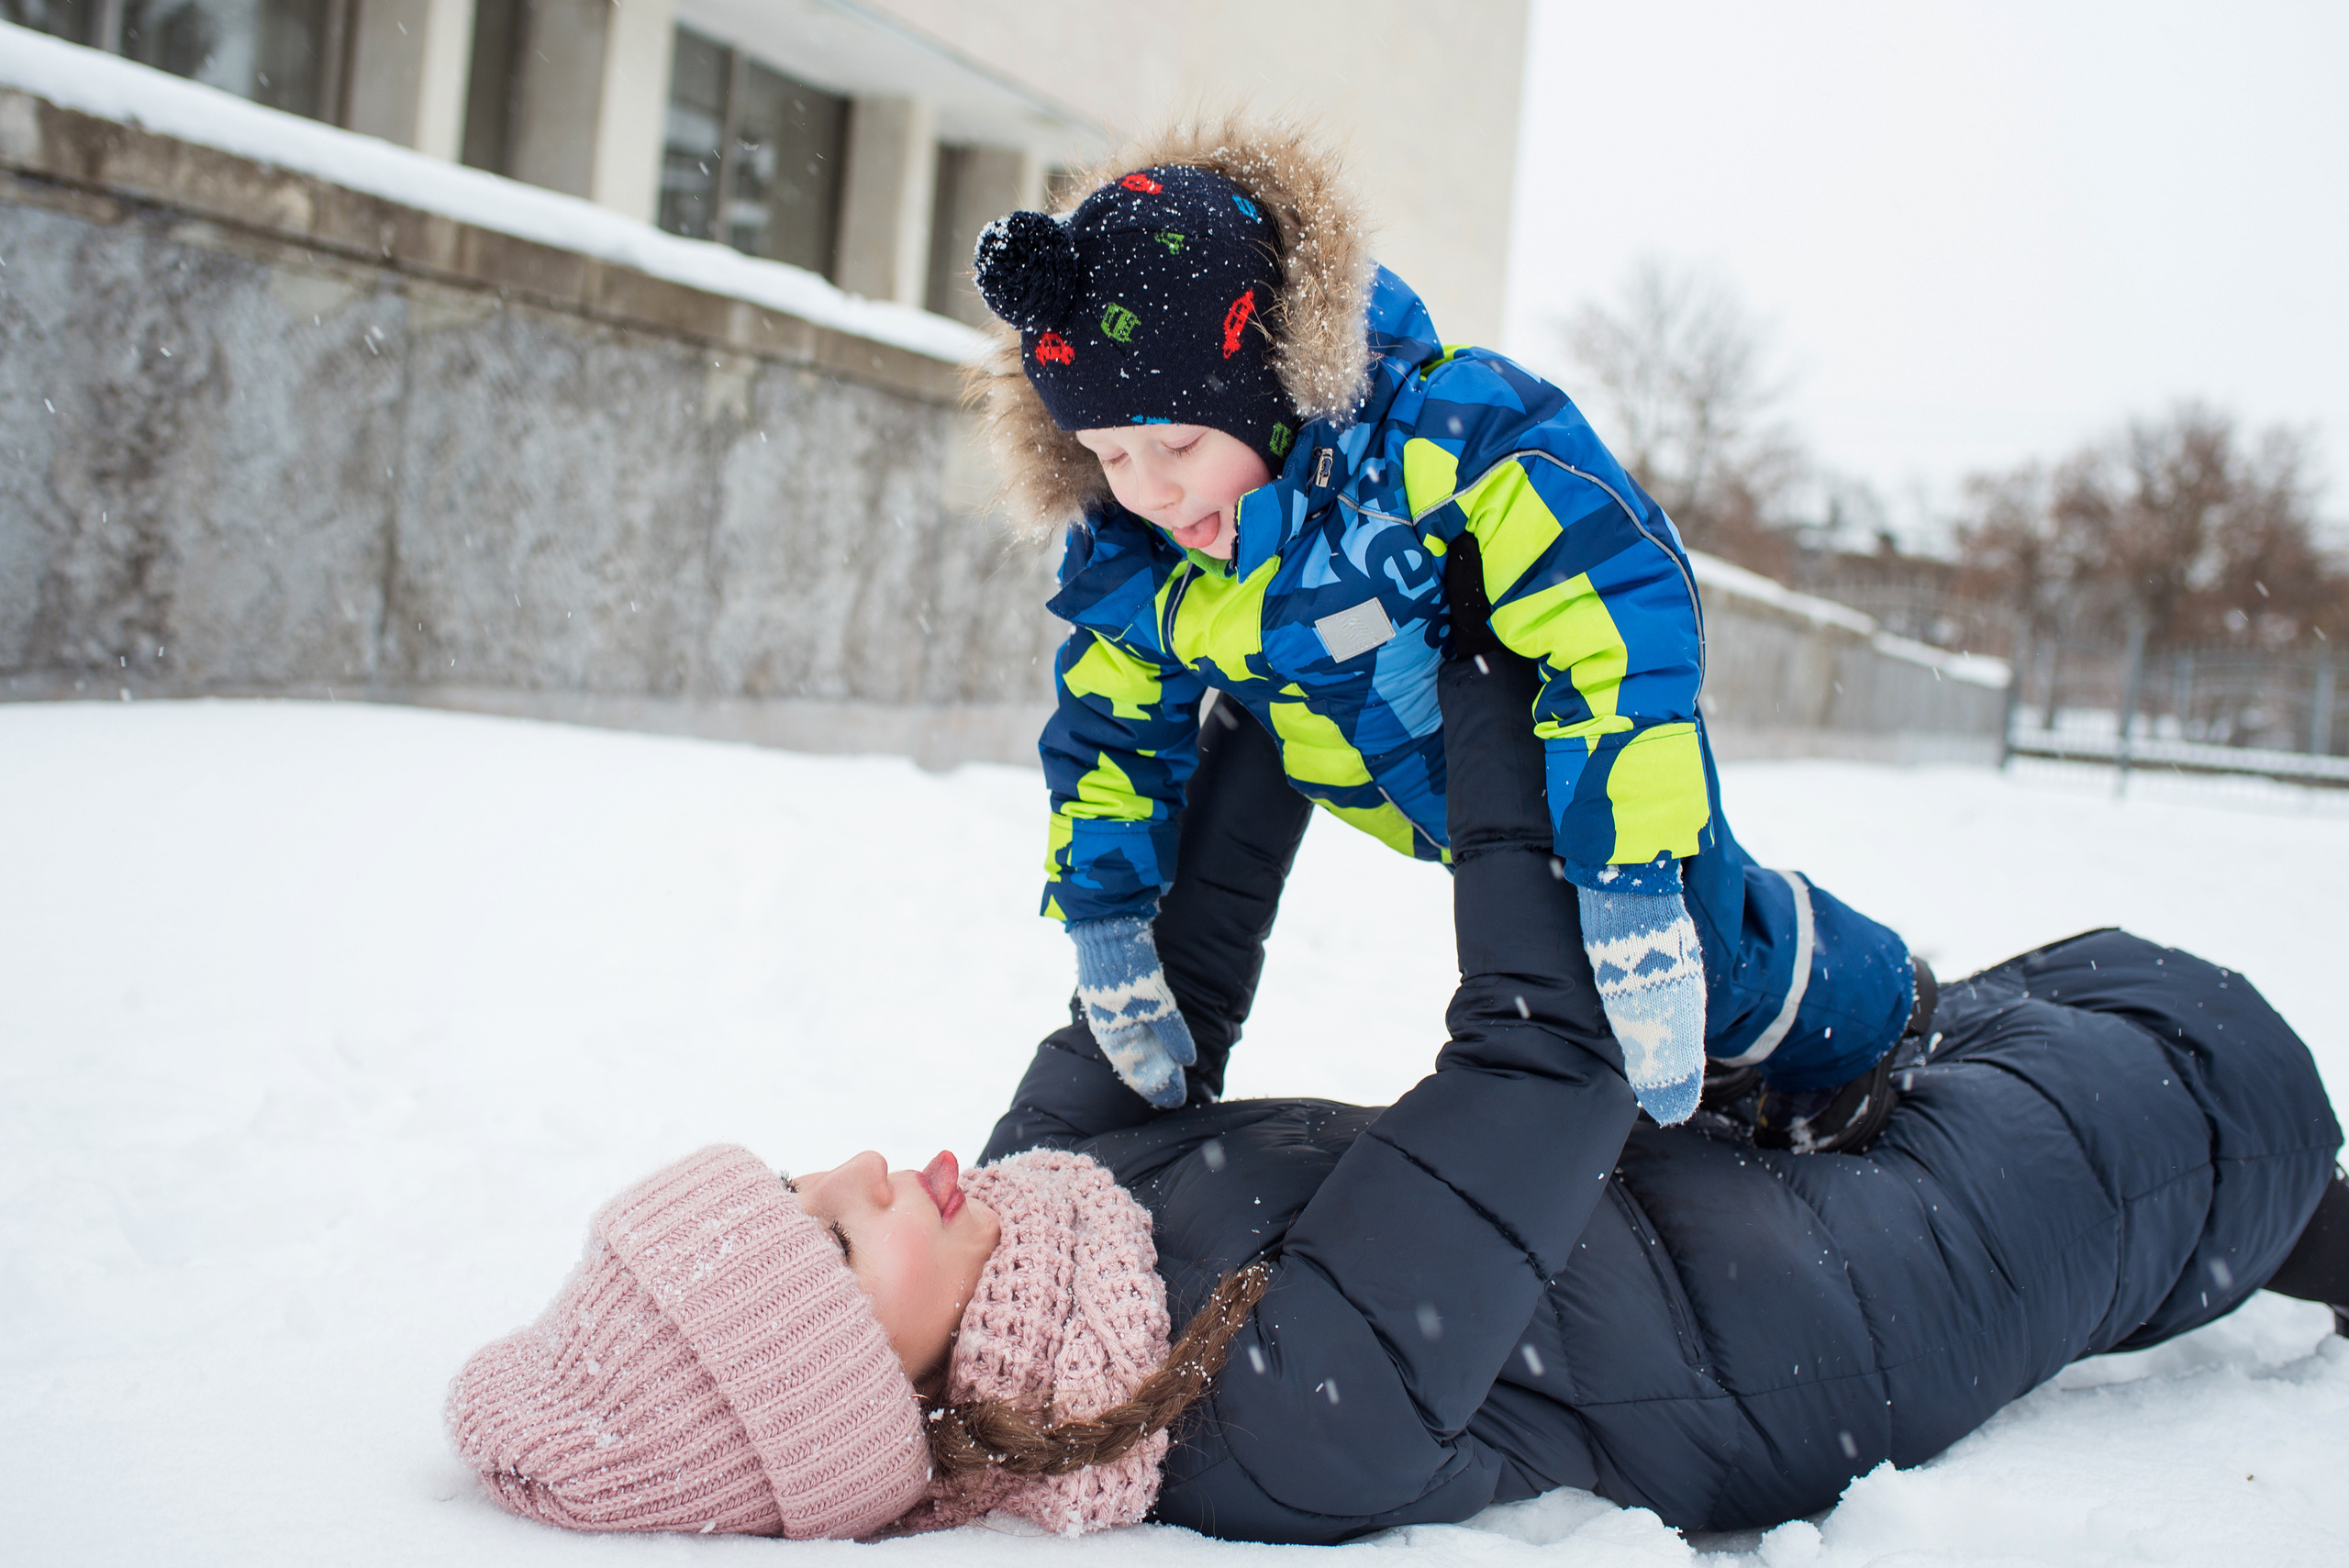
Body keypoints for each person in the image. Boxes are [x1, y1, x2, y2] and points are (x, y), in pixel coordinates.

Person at [447, 628, 2349, 1545]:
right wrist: (1487, 694)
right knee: (2193, 1086)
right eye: (839, 1230)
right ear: (872, 1392)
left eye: (809, 1172)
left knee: (2034, 1015)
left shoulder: (1046, 1200)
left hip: (1726, 1174)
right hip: (1859, 1309)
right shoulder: (1256, 1423)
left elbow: (1176, 962)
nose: (874, 1162)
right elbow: (1548, 1037)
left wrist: (1253, 665)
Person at [970, 117, 1918, 1151]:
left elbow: (1615, 605)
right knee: (1650, 980)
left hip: (1579, 774)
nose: (1148, 488)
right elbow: (1109, 731)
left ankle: (1877, 1011)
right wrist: (1107, 923)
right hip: (1446, 815)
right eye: (1108, 454)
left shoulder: (1440, 444)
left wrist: (1629, 875)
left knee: (1713, 954)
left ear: (1270, 386)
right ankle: (1729, 1037)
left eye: (1177, 442)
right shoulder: (1140, 559)